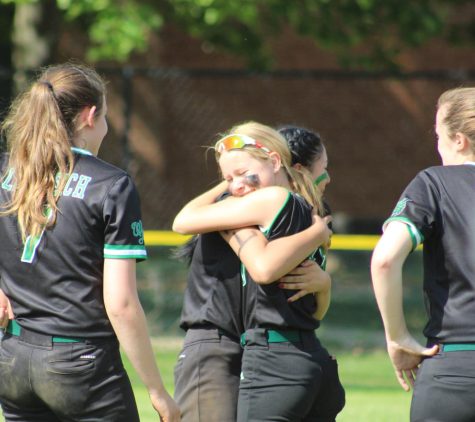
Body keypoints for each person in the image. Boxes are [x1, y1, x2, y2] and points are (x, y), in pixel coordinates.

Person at [0, 63, 180, 421]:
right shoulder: (110, 184)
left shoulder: (7, 169)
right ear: (89, 115)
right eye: (106, 117)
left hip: (12, 359)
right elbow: (122, 304)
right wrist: (158, 393)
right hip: (80, 363)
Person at [174, 122, 345, 421]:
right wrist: (317, 237)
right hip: (218, 343)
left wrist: (324, 281)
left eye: (242, 173)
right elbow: (312, 311)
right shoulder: (290, 207)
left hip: (242, 344)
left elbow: (183, 220)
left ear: (276, 161)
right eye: (228, 177)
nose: (236, 185)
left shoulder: (274, 202)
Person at [371, 87, 475, 422]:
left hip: (456, 368)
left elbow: (385, 259)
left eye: (438, 133)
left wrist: (397, 337)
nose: (437, 143)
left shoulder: (434, 182)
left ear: (458, 139)